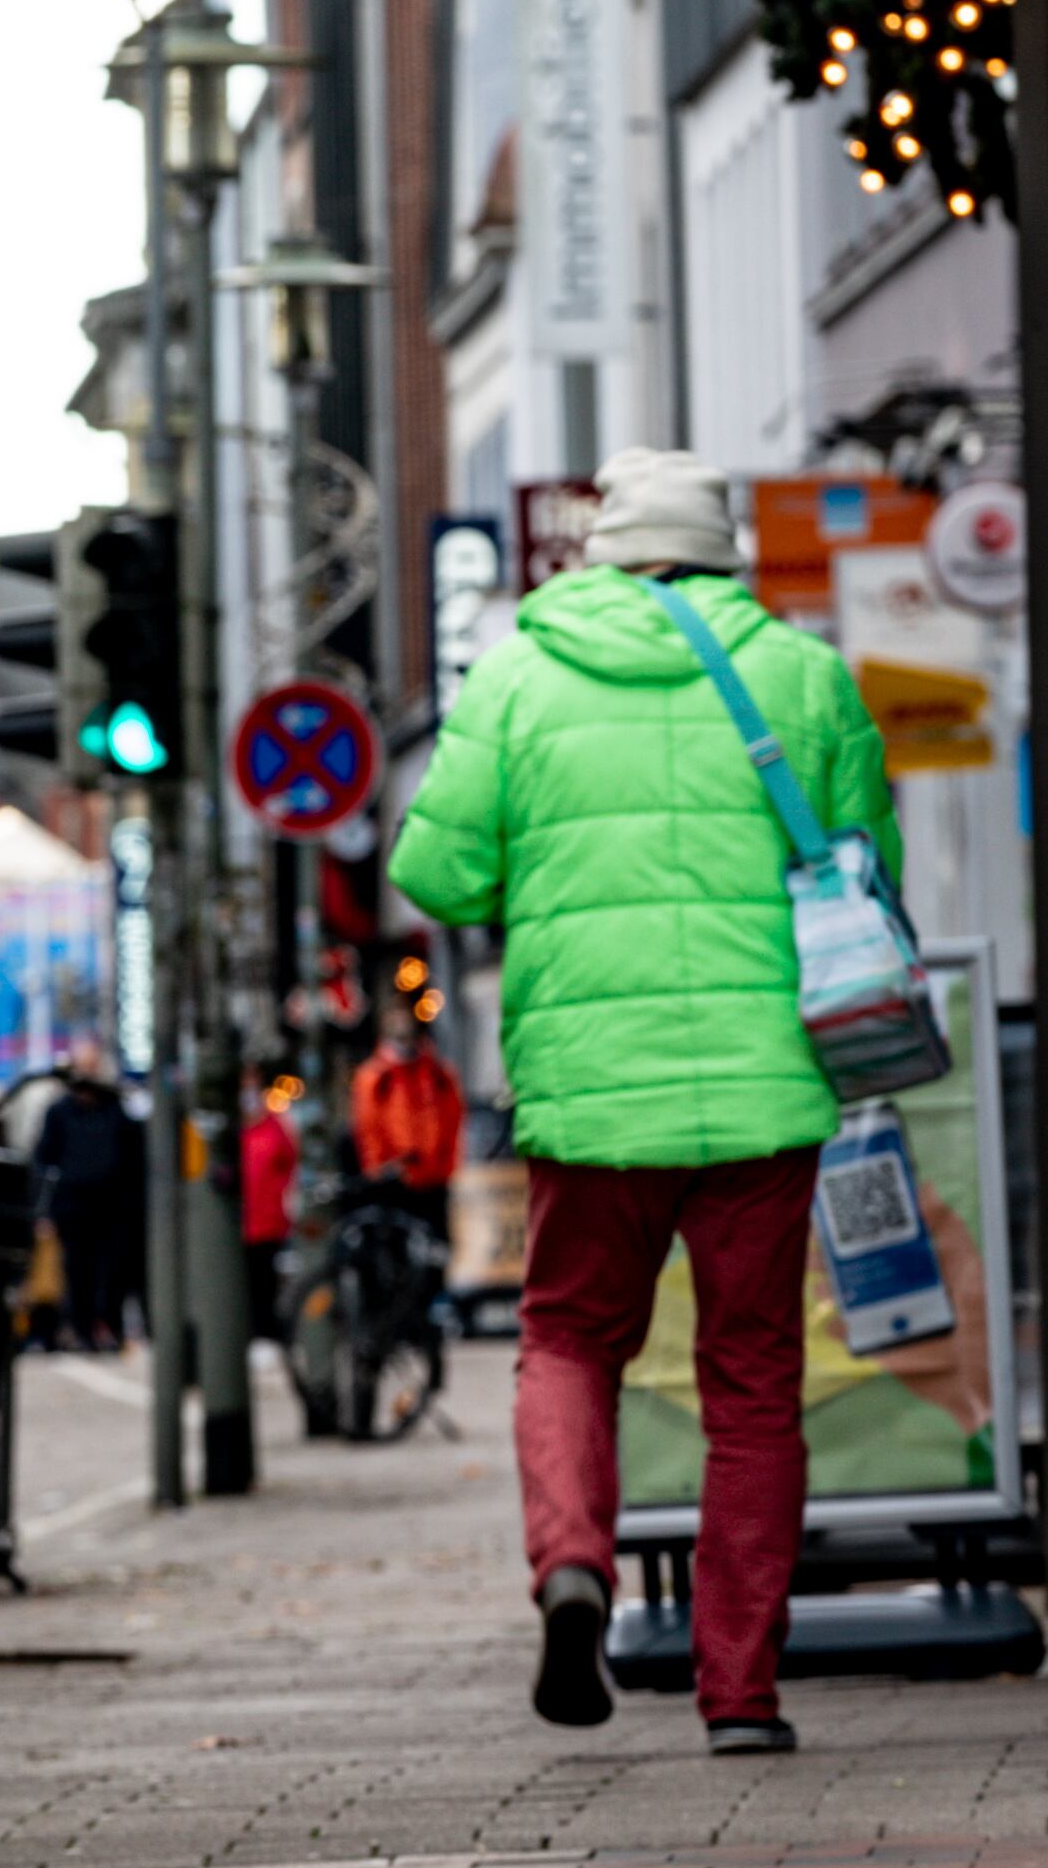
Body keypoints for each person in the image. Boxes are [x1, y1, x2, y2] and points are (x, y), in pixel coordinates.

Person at [388, 445, 891, 1756]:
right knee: (751, 1381)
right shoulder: (805, 675)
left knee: (566, 1342)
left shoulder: (516, 675)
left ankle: (572, 1574)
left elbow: (432, 872)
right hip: (764, 1083)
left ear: (600, 549)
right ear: (723, 550)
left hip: (589, 1092)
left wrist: (543, 892)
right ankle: (741, 1693)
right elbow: (865, 866)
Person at [32, 1069, 141, 1351]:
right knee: (78, 1272)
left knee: (112, 1273)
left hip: (112, 1208)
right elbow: (45, 1160)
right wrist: (45, 1210)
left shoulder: (115, 1112)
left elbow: (133, 1161)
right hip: (73, 1207)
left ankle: (107, 1327)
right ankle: (82, 1330)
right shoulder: (59, 1113)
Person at [351, 996, 465, 1242]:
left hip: (433, 1176)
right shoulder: (375, 1076)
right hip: (395, 1178)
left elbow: (452, 1117)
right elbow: (368, 1125)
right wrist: (378, 1168)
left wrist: (447, 1164)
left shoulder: (436, 1071)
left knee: (435, 1248)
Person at [241, 1064, 300, 1344]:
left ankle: (267, 1333)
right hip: (239, 1222)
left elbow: (291, 1160)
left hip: (269, 1220)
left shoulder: (274, 1124)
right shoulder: (234, 1129)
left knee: (266, 1283)